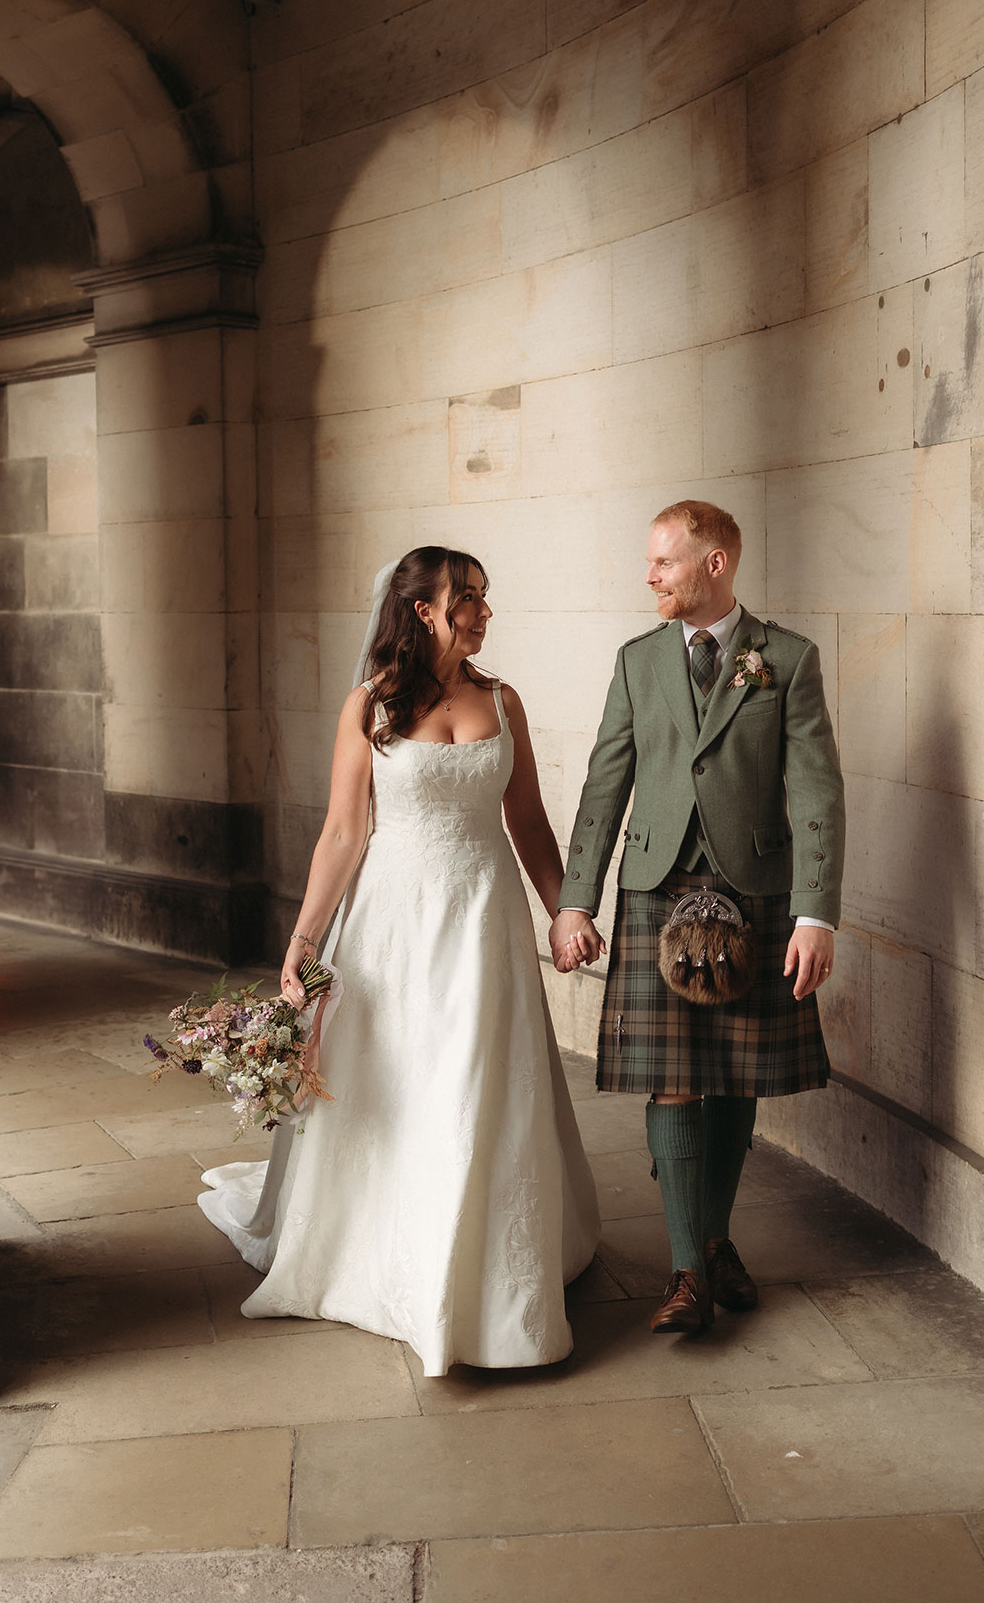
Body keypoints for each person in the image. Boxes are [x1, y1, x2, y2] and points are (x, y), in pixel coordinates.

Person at [199, 546, 600, 1375]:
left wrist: (566, 911)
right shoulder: (370, 706)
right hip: (392, 925)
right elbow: (344, 833)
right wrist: (303, 944)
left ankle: (491, 1267)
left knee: (477, 1080)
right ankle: (393, 1255)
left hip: (484, 921)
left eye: (486, 599)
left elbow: (527, 823)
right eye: (468, 601)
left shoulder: (503, 699)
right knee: (401, 1084)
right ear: (423, 610)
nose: (484, 613)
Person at [550, 500, 843, 1333]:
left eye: (664, 563)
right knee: (672, 1079)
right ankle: (687, 1273)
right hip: (655, 890)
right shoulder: (638, 661)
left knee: (738, 1075)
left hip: (756, 892)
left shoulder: (786, 659)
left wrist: (816, 914)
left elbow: (819, 788)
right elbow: (606, 782)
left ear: (714, 564)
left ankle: (713, 1242)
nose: (649, 576)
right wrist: (577, 899)